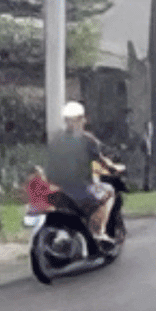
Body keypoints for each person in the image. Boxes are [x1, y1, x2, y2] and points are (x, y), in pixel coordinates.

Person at [45, 101, 125, 243]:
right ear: (82, 119)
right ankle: (98, 232)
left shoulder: (56, 140)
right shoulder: (87, 139)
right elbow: (102, 162)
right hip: (80, 189)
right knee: (109, 191)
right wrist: (115, 168)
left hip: (56, 190)